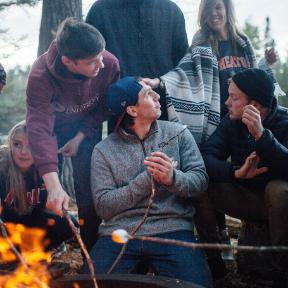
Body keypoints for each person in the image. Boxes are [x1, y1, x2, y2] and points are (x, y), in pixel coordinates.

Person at [82, 77, 213, 288]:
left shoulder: (178, 133)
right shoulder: (103, 150)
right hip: (119, 234)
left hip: (172, 229)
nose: (157, 95)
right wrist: (145, 180)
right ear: (133, 110)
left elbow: (200, 181)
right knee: (89, 285)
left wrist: (172, 178)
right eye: (148, 94)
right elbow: (104, 207)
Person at [26, 18, 120, 251]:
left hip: (86, 126)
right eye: (91, 62)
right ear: (68, 61)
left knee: (88, 189)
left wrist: (80, 136)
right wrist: (53, 182)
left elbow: (104, 107)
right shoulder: (40, 76)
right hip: (53, 129)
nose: (101, 65)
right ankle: (51, 244)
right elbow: (40, 128)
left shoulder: (108, 63)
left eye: (101, 55)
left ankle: (91, 246)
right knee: (46, 189)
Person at [143, 0, 281, 145]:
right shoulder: (201, 44)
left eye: (218, 7)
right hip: (218, 121)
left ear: (227, 9)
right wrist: (159, 82)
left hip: (246, 118)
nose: (214, 13)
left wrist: (266, 63)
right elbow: (184, 74)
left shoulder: (243, 44)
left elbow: (255, 78)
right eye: (208, 10)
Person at [199, 68, 288, 283]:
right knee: (199, 185)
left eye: (233, 97)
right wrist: (235, 172)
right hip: (246, 197)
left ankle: (281, 268)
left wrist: (261, 136)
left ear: (254, 106)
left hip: (280, 205)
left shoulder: (285, 122)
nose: (227, 102)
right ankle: (216, 266)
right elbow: (205, 157)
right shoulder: (231, 121)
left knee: (279, 190)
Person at [85, 0, 188, 122]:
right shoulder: (100, 11)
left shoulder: (172, 11)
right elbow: (89, 65)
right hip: (121, 110)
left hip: (163, 108)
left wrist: (161, 83)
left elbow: (182, 66)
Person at [0, 121, 76, 250]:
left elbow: (54, 206)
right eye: (17, 144)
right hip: (9, 226)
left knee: (67, 223)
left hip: (35, 222)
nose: (23, 152)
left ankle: (43, 249)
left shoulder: (48, 170)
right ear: (10, 145)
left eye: (31, 146)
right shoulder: (2, 167)